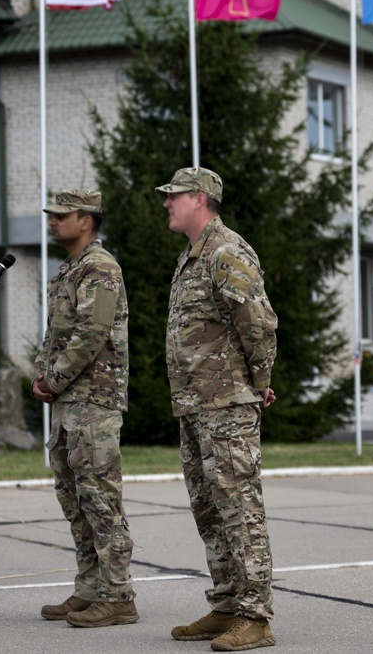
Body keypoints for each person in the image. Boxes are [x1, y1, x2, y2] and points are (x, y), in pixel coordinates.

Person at [156, 167, 278, 652]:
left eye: (174, 196)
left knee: (239, 508)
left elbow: (259, 324)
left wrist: (260, 382)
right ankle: (227, 604)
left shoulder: (227, 251)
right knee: (209, 509)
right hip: (196, 405)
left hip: (227, 404)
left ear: (200, 199)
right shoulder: (192, 256)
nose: (166, 203)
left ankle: (256, 616)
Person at [32, 189, 139, 628]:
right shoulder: (68, 271)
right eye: (51, 215)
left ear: (86, 220)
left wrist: (52, 380)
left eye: (62, 215)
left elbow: (91, 335)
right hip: (68, 403)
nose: (53, 221)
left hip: (93, 401)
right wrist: (41, 373)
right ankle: (90, 587)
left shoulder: (101, 268)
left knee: (99, 498)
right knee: (74, 497)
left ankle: (119, 595)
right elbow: (55, 335)